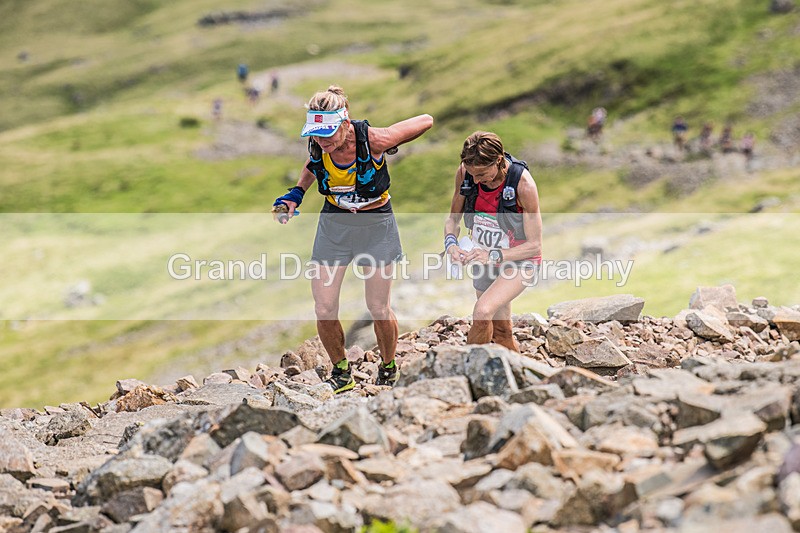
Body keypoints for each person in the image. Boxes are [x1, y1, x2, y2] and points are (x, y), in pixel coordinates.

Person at [273, 86, 433, 393]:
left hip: (376, 224)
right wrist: (296, 194)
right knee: (324, 306)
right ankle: (342, 373)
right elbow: (313, 162)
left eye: (329, 134)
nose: (323, 142)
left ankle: (387, 367)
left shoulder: (371, 139)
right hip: (335, 224)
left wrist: (390, 139)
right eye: (317, 135)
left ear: (346, 123)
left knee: (378, 306)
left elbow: (426, 119)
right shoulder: (319, 144)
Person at [444, 132, 543, 352]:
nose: (476, 180)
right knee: (502, 333)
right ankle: (520, 381)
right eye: (472, 174)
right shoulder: (465, 173)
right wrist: (451, 244)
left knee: (482, 312)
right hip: (483, 259)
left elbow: (535, 245)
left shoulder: (523, 185)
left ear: (499, 161)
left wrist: (494, 255)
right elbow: (453, 219)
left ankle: (465, 370)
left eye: (481, 174)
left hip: (520, 261)